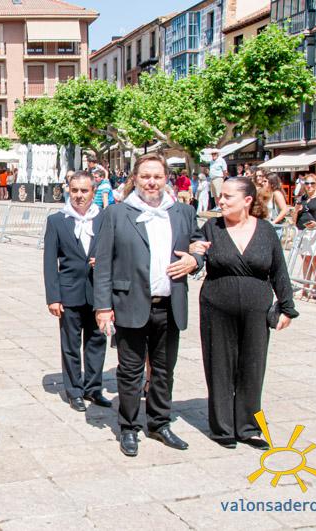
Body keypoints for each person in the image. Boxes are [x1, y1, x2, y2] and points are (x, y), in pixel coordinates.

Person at [94, 153, 204, 457]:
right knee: (130, 372)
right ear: (135, 179)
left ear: (166, 178)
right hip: (129, 303)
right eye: (145, 176)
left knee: (164, 370)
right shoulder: (117, 213)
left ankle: (159, 423)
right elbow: (103, 263)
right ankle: (128, 427)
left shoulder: (182, 212)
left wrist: (195, 260)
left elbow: (199, 245)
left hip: (170, 305)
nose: (151, 182)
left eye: (157, 176)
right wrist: (102, 307)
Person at [197, 177, 297, 450]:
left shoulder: (265, 230)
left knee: (253, 366)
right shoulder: (211, 228)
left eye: (228, 196)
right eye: (221, 196)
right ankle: (222, 428)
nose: (221, 201)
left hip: (257, 309)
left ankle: (248, 427)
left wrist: (287, 307)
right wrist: (192, 255)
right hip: (217, 307)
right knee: (219, 364)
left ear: (247, 200)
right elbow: (196, 256)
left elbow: (279, 270)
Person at [43, 171, 111, 412]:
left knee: (96, 342)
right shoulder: (57, 221)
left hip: (98, 292)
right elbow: (49, 262)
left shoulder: (105, 218)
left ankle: (93, 388)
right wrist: (53, 297)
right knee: (70, 345)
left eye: (84, 190)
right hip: (69, 292)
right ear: (68, 191)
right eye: (75, 190)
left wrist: (104, 262)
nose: (79, 195)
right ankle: (74, 391)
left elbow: (115, 252)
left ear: (94, 192)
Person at [293, 174, 316, 298]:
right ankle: (305, 287)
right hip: (302, 230)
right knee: (305, 259)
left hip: (315, 231)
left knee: (315, 260)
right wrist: (296, 210)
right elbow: (294, 218)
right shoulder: (302, 198)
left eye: (312, 183)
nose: (309, 186)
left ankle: (314, 288)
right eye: (307, 183)